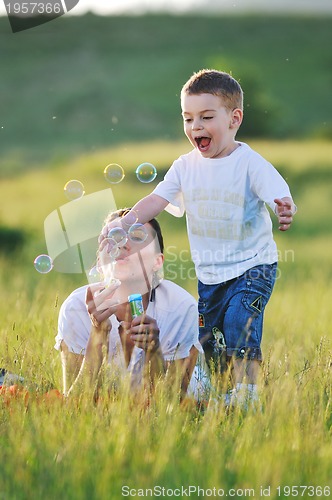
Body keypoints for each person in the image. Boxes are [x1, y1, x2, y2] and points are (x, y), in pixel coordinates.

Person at [101, 69, 297, 408]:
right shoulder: (184, 166)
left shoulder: (249, 163)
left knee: (240, 319)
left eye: (207, 117)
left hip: (254, 265)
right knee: (209, 336)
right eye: (188, 119)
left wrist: (284, 207)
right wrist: (125, 222)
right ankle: (223, 392)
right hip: (210, 275)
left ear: (235, 118)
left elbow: (277, 191)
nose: (196, 127)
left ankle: (249, 392)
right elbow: (156, 201)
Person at [55, 208, 206, 401]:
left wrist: (153, 351)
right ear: (100, 259)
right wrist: (98, 333)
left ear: (157, 262)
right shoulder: (76, 309)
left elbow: (170, 407)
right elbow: (74, 405)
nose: (122, 244)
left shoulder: (180, 308)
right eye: (113, 237)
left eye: (136, 237)